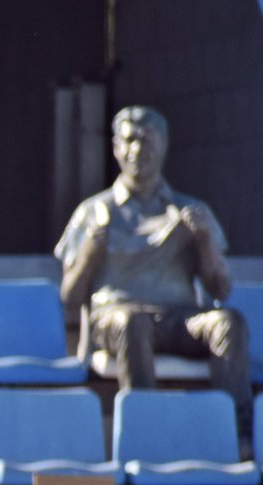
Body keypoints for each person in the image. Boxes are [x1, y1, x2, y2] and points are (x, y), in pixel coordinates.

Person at [55, 104, 252, 449]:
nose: (137, 150)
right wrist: (89, 251)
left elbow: (221, 289)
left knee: (228, 322)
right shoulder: (92, 212)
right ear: (115, 148)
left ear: (164, 145)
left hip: (179, 318)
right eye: (129, 140)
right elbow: (70, 297)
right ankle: (145, 434)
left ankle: (238, 435)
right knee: (132, 322)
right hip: (116, 317)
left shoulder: (190, 211)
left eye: (146, 140)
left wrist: (205, 241)